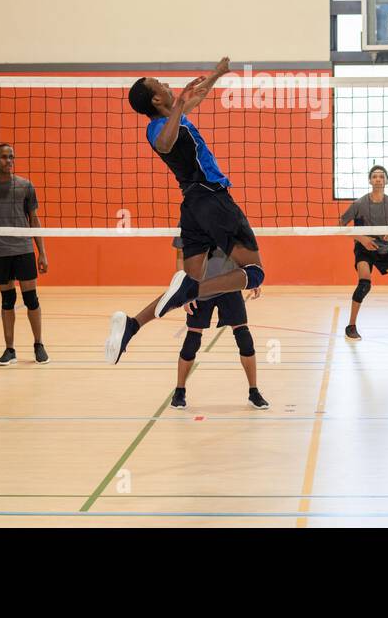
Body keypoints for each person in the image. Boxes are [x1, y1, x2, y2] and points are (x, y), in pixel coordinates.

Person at [107, 57, 265, 364]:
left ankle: (132, 324)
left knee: (189, 289)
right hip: (212, 199)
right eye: (161, 85)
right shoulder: (157, 128)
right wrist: (178, 103)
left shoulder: (175, 117)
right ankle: (188, 290)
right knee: (255, 273)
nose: (167, 85)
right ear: (156, 99)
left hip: (193, 208)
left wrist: (218, 73)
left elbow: (199, 94)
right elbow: (165, 144)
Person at [0, 143, 49, 365]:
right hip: (0, 252)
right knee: (7, 300)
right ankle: (10, 350)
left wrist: (42, 252)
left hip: (24, 249)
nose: (9, 160)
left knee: (31, 299)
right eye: (4, 157)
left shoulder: (25, 186)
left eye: (12, 157)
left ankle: (38, 345)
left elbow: (34, 219)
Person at [170, 244, 269, 411]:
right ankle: (179, 391)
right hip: (200, 288)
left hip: (230, 285)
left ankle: (254, 392)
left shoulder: (231, 218)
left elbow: (241, 250)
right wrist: (184, 292)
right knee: (191, 342)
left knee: (244, 339)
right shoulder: (189, 220)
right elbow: (181, 257)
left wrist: (250, 277)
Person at [339, 164, 388, 339]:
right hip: (364, 249)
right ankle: (351, 325)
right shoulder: (359, 203)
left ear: (386, 181)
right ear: (369, 180)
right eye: (374, 176)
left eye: (382, 176)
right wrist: (362, 238)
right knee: (364, 284)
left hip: (384, 249)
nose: (378, 179)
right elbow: (341, 224)